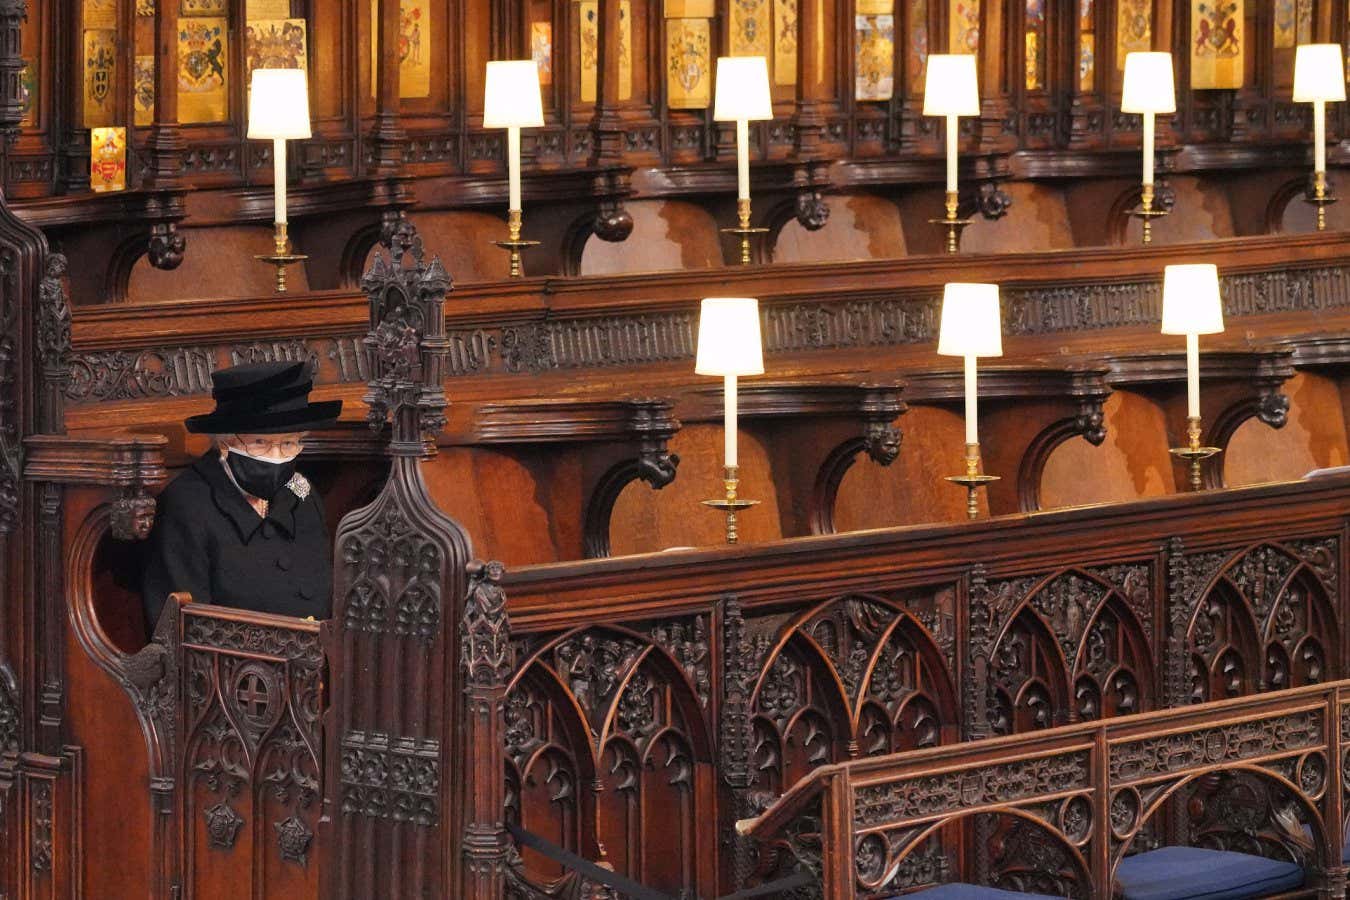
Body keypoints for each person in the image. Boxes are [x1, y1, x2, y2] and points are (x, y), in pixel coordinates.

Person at [141, 361, 342, 634]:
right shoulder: (187, 505)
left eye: (289, 443)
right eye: (260, 443)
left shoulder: (301, 492)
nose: (277, 457)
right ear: (225, 442)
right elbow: (183, 631)